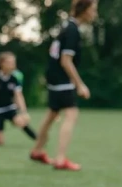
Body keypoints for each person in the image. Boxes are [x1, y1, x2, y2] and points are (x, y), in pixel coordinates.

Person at [30, 0, 98, 171]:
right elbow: (66, 61)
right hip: (62, 80)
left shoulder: (66, 26)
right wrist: (80, 85)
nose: (95, 14)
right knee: (71, 114)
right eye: (93, 10)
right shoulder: (73, 31)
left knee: (52, 114)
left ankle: (37, 150)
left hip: (53, 78)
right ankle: (60, 159)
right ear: (84, 11)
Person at [0, 52, 37, 146]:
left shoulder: (14, 79)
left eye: (13, 62)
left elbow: (18, 96)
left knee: (21, 122)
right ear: (1, 63)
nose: (13, 65)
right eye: (10, 62)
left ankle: (39, 140)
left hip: (9, 108)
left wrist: (24, 112)